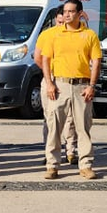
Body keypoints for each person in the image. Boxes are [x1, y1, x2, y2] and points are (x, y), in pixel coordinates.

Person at [40, 0, 102, 180]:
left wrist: (91, 85)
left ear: (79, 13)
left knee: (83, 127)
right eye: (65, 11)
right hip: (60, 85)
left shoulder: (89, 35)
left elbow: (96, 61)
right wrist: (49, 83)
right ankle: (52, 165)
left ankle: (85, 165)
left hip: (82, 86)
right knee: (55, 127)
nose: (66, 14)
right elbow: (45, 59)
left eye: (70, 11)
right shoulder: (53, 34)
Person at [34, 10, 76, 163]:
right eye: (59, 22)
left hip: (68, 79)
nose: (61, 25)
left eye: (63, 22)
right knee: (50, 118)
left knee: (70, 118)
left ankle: (70, 151)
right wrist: (49, 74)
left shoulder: (73, 34)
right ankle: (49, 151)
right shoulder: (47, 35)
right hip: (50, 78)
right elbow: (38, 57)